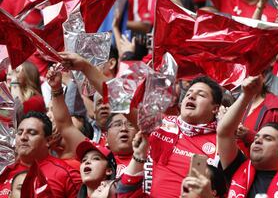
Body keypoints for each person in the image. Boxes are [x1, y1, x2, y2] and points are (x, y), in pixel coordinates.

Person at [57, 52, 223, 197]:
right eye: (189, 94)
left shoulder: (222, 142)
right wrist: (85, 67)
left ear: (215, 108)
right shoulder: (162, 125)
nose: (191, 97)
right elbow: (119, 99)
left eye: (200, 95)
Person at [217, 76, 278, 197]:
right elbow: (224, 133)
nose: (257, 141)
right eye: (256, 138)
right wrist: (246, 96)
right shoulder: (238, 168)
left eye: (267, 138)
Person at [46, 65, 138, 177]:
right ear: (106, 134)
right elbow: (65, 125)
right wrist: (56, 89)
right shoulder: (99, 154)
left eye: (130, 125)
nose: (124, 129)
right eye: (117, 124)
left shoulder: (153, 153)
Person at [0, 111, 81, 198]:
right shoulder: (4, 172)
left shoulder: (66, 174)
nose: (23, 137)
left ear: (48, 140)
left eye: (32, 133)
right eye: (19, 133)